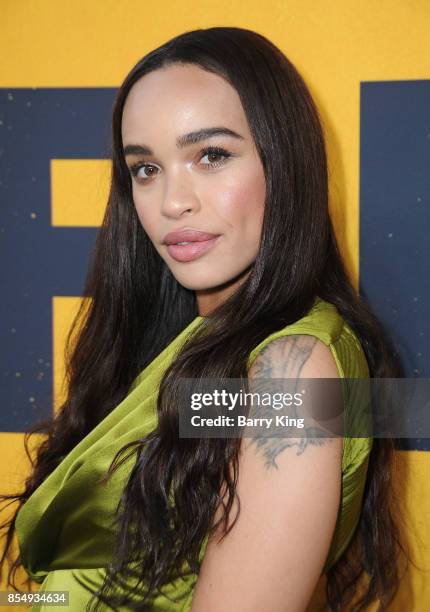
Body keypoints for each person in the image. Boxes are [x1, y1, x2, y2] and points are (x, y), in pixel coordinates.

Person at [1, 26, 409, 611]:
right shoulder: (170, 340)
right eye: (146, 168)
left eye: (211, 156)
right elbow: (76, 586)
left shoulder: (292, 372)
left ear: (284, 162)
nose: (171, 202)